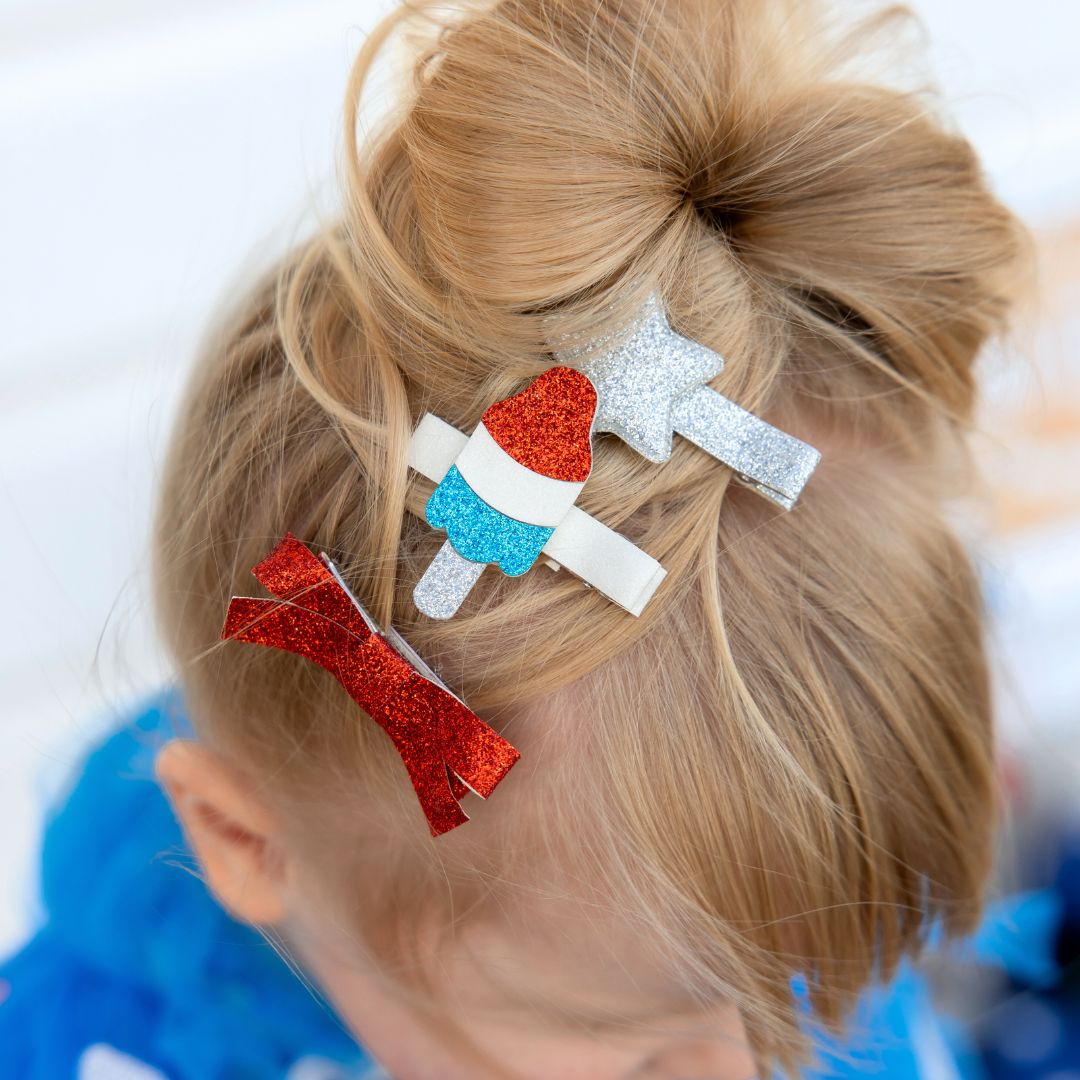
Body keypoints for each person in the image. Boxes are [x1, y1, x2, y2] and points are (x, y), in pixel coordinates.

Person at [3, 0, 1037, 1076]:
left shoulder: (744, 822)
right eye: (639, 1059)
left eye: (810, 983)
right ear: (246, 844)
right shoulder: (96, 1052)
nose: (758, 1070)